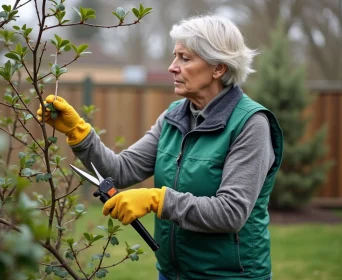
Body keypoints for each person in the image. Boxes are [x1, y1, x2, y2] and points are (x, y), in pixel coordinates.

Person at [37, 14, 283, 280]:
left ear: (218, 68)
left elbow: (231, 213)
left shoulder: (251, 124)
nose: (172, 67)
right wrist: (79, 133)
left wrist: (157, 200)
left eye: (184, 58)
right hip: (172, 274)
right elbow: (120, 171)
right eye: (174, 56)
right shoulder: (175, 116)